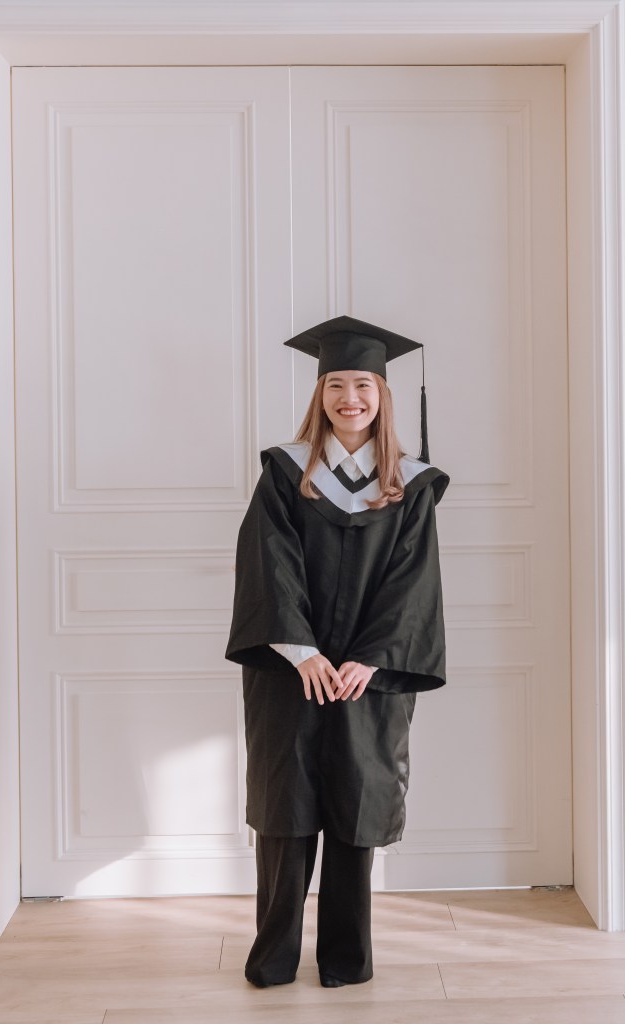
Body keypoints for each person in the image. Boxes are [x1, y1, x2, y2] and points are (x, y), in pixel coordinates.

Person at [225, 314, 449, 989]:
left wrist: (371, 658)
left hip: (365, 677)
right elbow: (269, 563)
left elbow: (413, 581)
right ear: (319, 394)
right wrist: (301, 651)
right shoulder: (285, 472)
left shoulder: (409, 485)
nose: (350, 399)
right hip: (292, 669)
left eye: (363, 385)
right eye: (335, 385)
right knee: (286, 809)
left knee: (357, 806)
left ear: (382, 395)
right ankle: (272, 958)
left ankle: (346, 961)